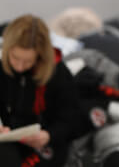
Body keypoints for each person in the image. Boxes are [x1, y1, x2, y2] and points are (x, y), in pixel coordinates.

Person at [0, 14, 83, 167]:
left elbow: (73, 119)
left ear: (40, 55)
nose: (20, 66)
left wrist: (49, 135)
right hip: (8, 141)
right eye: (15, 58)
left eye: (28, 61)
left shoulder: (57, 72)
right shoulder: (2, 66)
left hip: (46, 144)